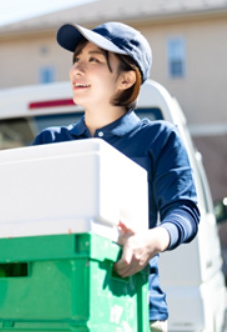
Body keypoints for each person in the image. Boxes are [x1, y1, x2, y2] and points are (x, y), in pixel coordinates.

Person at [33, 22, 200, 332]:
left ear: (126, 78)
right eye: (76, 60)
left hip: (133, 307)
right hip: (54, 305)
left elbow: (185, 212)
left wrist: (151, 240)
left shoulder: (158, 138)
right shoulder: (49, 142)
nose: (76, 70)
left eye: (93, 60)